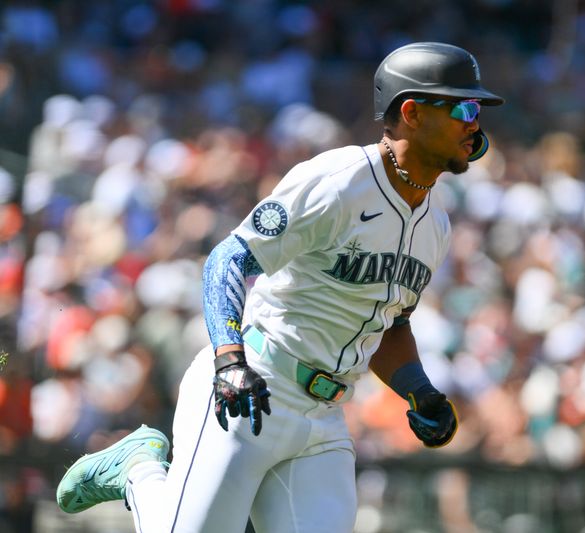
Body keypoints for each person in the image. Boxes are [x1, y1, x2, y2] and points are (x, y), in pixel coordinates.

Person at [55, 41, 504, 533]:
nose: (474, 122)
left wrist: (420, 392)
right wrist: (229, 361)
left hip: (326, 417)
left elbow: (390, 326)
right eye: (463, 106)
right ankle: (139, 466)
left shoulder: (435, 222)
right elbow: (228, 258)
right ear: (413, 112)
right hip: (254, 385)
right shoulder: (336, 182)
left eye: (477, 108)